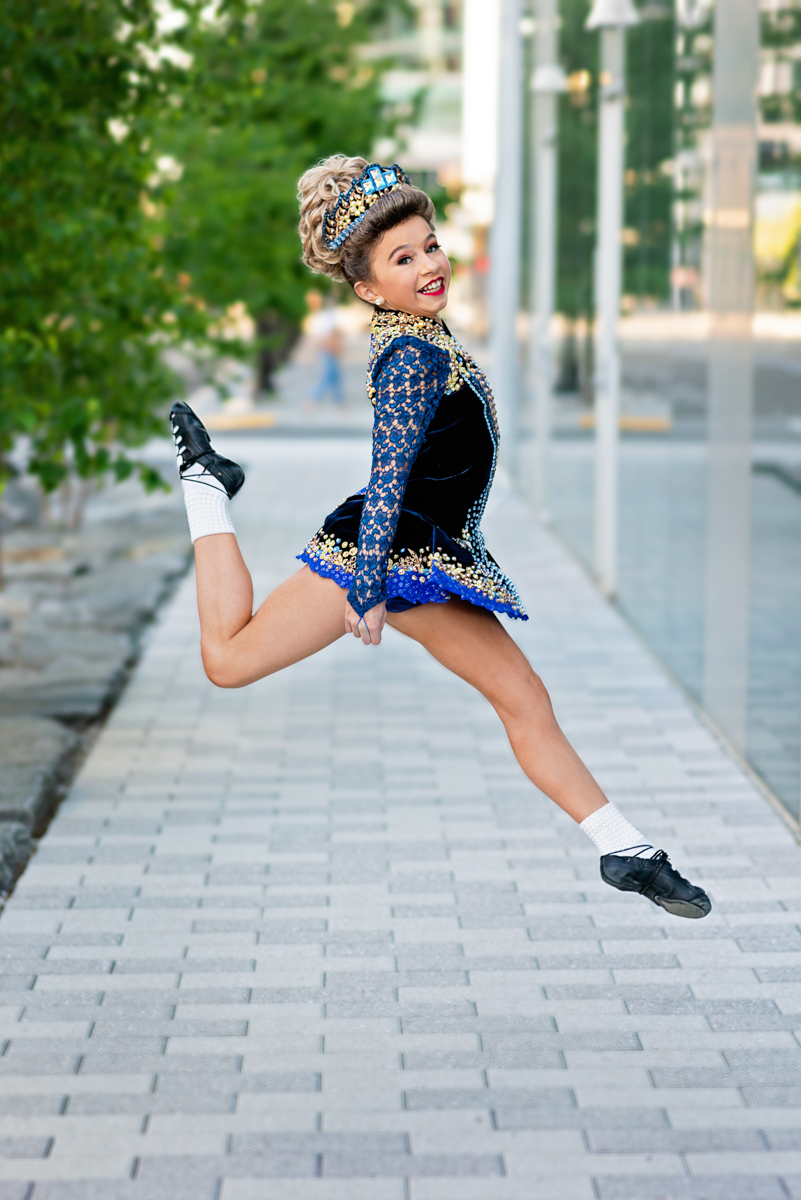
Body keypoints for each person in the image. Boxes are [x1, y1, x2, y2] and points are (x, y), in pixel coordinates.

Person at [170, 155, 711, 920]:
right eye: (403, 258)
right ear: (366, 287)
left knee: (523, 694)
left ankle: (626, 851)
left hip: (422, 553)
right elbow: (386, 475)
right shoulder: (411, 357)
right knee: (226, 661)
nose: (429, 264)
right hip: (386, 552)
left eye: (429, 245)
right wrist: (365, 589)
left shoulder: (424, 331)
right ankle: (204, 484)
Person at [306, 291, 345, 407]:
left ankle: (340, 402)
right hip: (327, 350)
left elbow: (336, 334)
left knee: (334, 376)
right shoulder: (325, 317)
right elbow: (323, 336)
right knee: (328, 376)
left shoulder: (331, 316)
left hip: (330, 350)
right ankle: (312, 400)